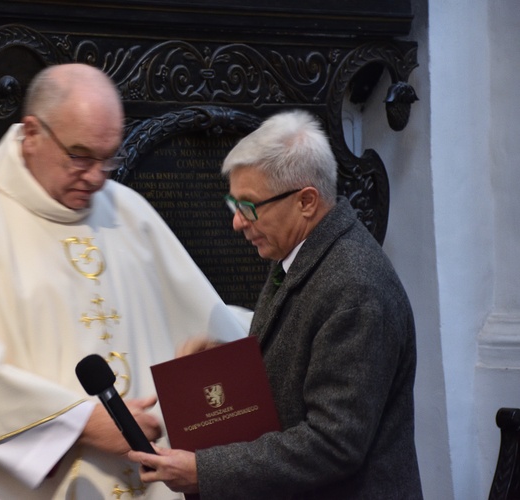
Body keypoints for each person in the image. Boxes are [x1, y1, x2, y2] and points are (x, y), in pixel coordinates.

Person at [0, 63, 249, 499]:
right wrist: (79, 423)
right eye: (80, 156)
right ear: (32, 133)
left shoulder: (129, 212)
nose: (98, 176)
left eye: (109, 157)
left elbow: (209, 328)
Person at [128, 109, 423, 499]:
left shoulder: (355, 286)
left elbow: (333, 445)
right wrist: (224, 362)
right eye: (234, 205)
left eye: (249, 206)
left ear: (305, 201)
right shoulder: (304, 252)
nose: (237, 222)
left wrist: (205, 471)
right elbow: (301, 368)